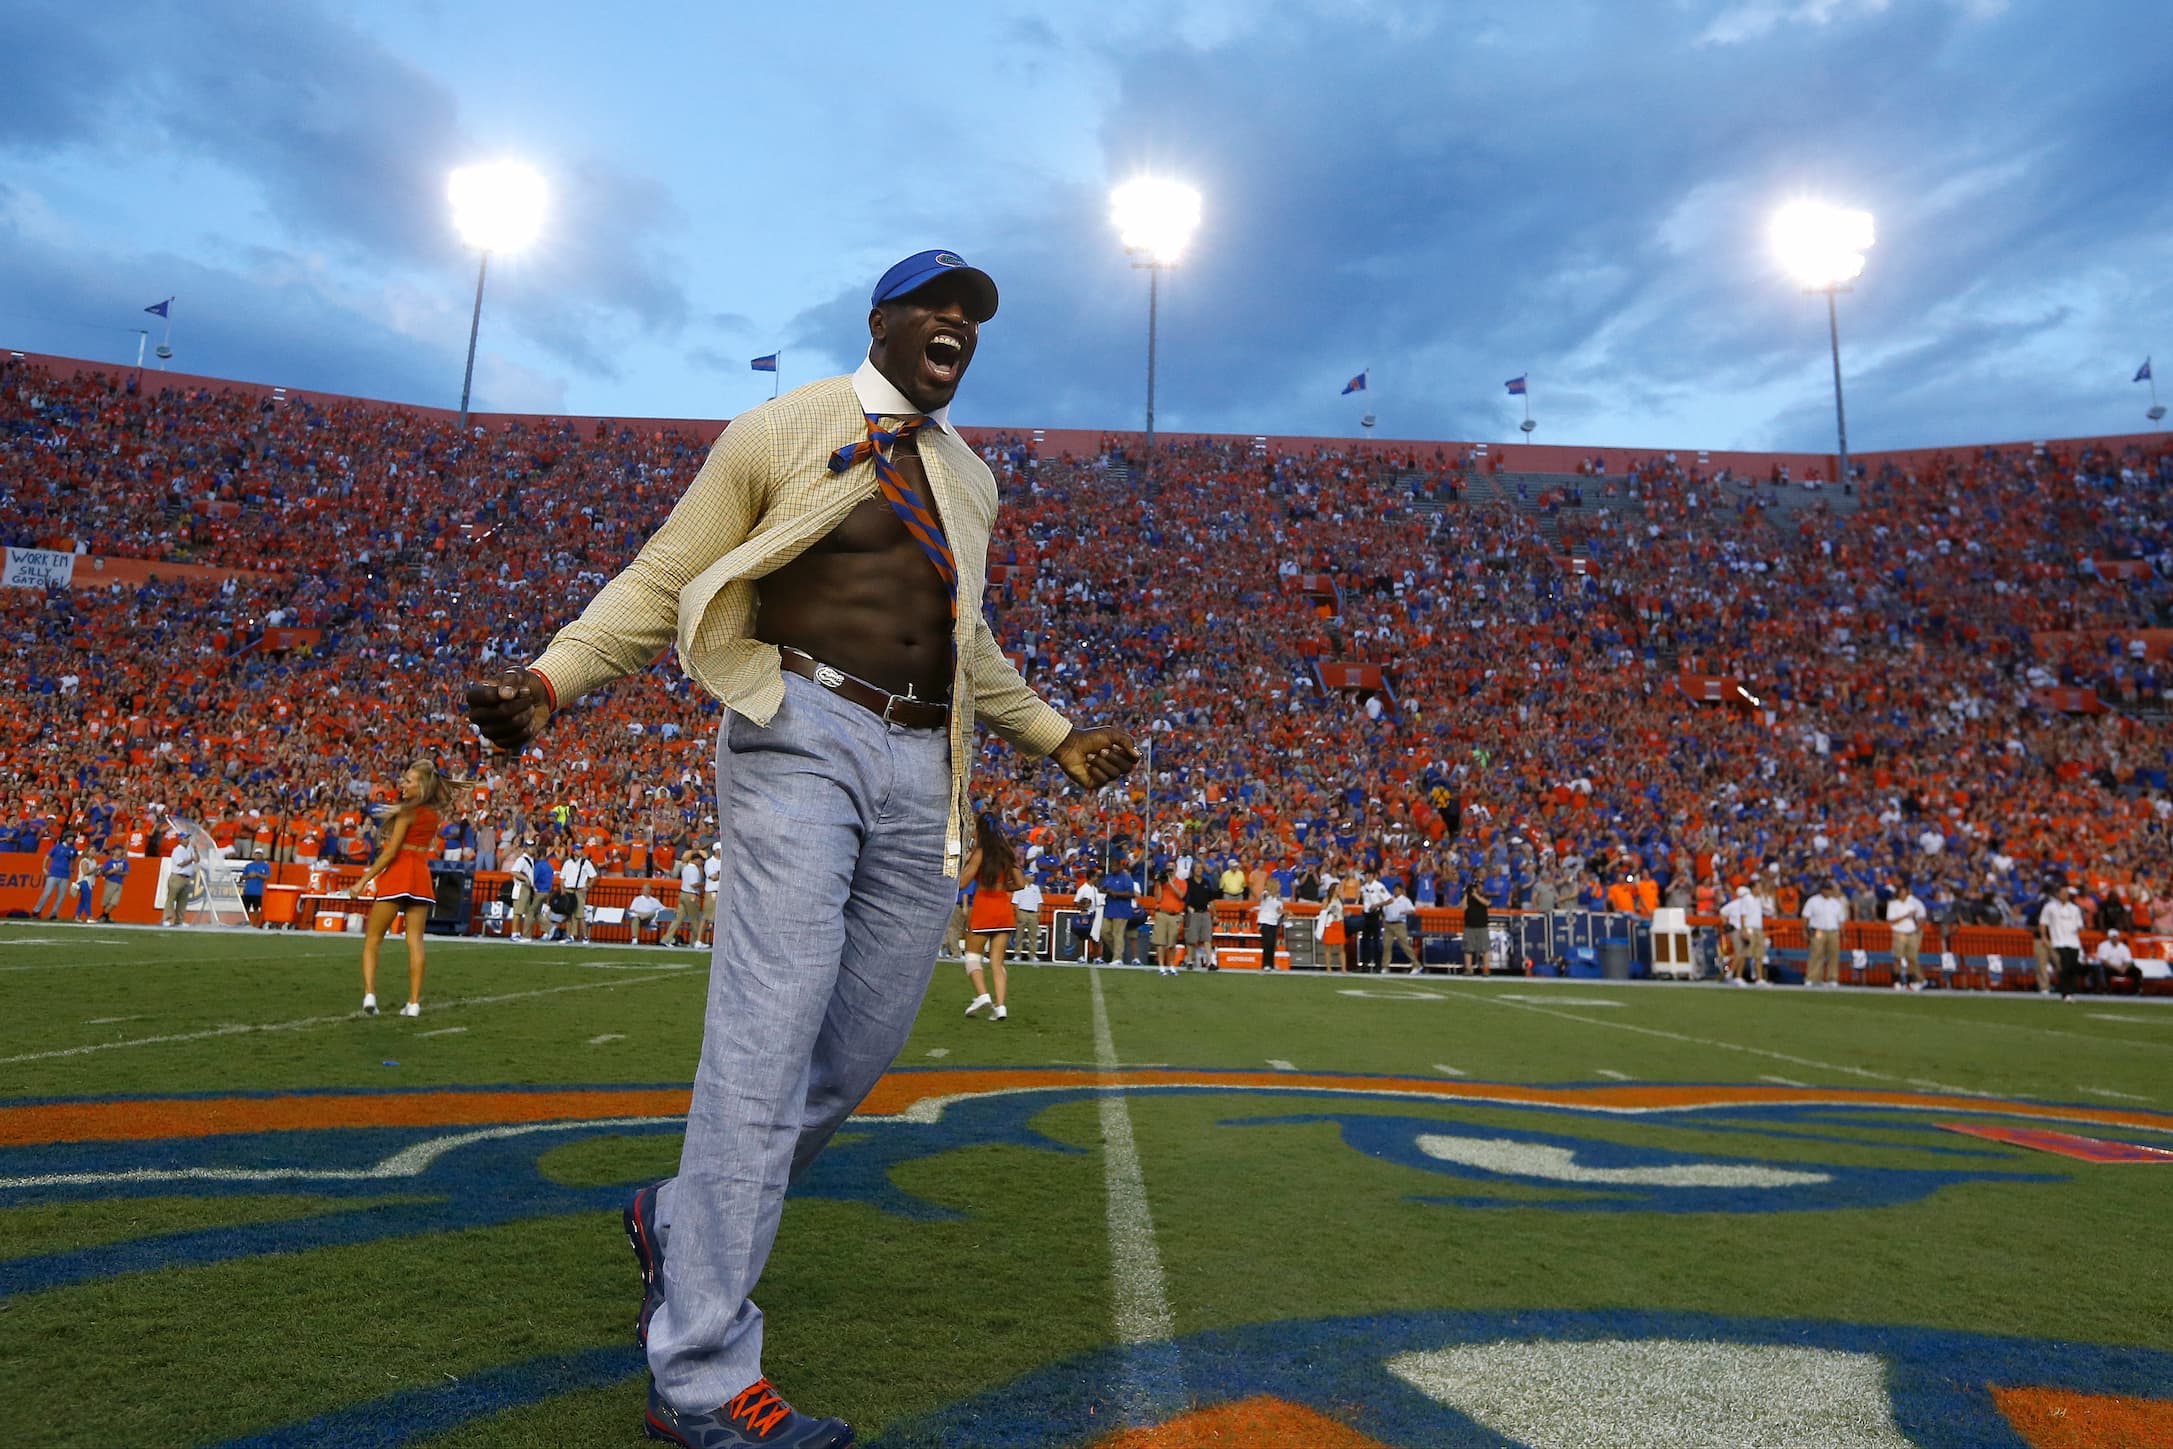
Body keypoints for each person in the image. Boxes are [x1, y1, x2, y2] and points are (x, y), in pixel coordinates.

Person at [464, 247, 1137, 1446]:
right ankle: (702, 1375)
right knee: (767, 1035)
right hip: (797, 728)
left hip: (930, 765)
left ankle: (679, 1219)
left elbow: (965, 640)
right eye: (935, 306)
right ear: (880, 323)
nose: (956, 325)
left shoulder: (971, 481)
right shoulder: (779, 429)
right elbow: (666, 575)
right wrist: (553, 675)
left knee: (856, 1048)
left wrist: (1056, 736)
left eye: (971, 314)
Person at [345, 759, 469, 1017]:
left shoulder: (407, 812)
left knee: (373, 938)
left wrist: (362, 880)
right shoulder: (432, 815)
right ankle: (413, 1003)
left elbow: (391, 854)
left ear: (421, 786)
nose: (403, 785)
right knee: (415, 942)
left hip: (399, 874)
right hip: (420, 876)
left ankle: (370, 995)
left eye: (409, 781)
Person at [960, 813, 1025, 1020]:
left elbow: (963, 883)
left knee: (972, 957)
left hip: (984, 908)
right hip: (1003, 908)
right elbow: (1021, 884)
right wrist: (1005, 886)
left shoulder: (980, 852)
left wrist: (964, 863)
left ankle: (982, 995)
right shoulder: (1006, 853)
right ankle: (1001, 1006)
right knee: (997, 962)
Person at [2040, 884, 2085, 1001]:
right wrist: (2044, 936)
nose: (2065, 895)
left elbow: (2079, 925)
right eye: (2063, 893)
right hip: (2058, 941)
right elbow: (2043, 922)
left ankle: (2070, 990)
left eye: (2067, 894)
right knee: (2065, 965)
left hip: (2073, 941)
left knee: (2073, 966)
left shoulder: (2074, 909)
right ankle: (2065, 992)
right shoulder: (2050, 907)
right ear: (2058, 893)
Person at [1719, 885, 1768, 986]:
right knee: (1739, 952)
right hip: (1736, 930)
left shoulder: (1752, 902)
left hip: (1743, 929)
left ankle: (1729, 973)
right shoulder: (1736, 904)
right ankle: (1729, 973)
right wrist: (1726, 925)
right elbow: (1722, 912)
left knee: (1739, 953)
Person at [1803, 883, 1848, 988]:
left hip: (1833, 931)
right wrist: (1804, 931)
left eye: (1829, 890)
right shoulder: (1813, 901)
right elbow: (1805, 917)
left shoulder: (1836, 903)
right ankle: (1812, 977)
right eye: (1826, 889)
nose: (1828, 892)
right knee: (1816, 953)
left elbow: (1841, 921)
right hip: (1819, 930)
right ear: (1821, 890)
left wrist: (1843, 934)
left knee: (1833, 954)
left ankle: (1832, 978)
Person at [1886, 882, 1928, 991]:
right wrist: (1906, 916)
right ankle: (1897, 980)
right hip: (1900, 932)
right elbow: (1891, 920)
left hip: (1911, 932)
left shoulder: (1912, 905)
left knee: (1912, 959)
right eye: (1902, 892)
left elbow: (1920, 917)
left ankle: (1910, 981)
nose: (1904, 894)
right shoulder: (1893, 905)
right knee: (1898, 958)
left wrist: (1916, 927)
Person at [665, 848, 707, 948]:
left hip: (683, 894)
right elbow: (693, 884)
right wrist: (702, 885)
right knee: (695, 919)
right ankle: (697, 941)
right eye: (700, 860)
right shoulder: (693, 870)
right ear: (695, 860)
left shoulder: (686, 868)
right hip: (691, 895)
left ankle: (666, 939)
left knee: (678, 919)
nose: (702, 862)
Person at [32, 832, 78, 921]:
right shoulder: (57, 847)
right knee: (46, 893)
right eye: (70, 837)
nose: (72, 839)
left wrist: (72, 870)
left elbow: (74, 860)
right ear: (66, 838)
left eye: (73, 838)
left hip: (65, 875)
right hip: (53, 873)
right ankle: (36, 911)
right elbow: (47, 857)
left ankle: (53, 914)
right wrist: (44, 868)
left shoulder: (73, 849)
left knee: (61, 896)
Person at [1181, 863, 1219, 972]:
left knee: (1207, 938)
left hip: (1205, 912)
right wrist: (1187, 907)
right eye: (1197, 868)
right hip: (1193, 913)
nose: (1199, 870)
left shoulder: (1206, 882)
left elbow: (1211, 900)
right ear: (1193, 870)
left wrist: (1215, 914)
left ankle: (1210, 962)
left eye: (1201, 868)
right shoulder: (1188, 882)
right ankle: (1189, 961)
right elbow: (1182, 898)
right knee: (1191, 939)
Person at [1150, 868, 1185, 976]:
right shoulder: (1160, 883)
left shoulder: (1181, 882)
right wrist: (1160, 883)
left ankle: (1171, 965)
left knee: (1172, 943)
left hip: (1174, 915)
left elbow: (1181, 895)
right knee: (1160, 942)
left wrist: (1170, 883)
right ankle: (1161, 966)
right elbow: (1158, 898)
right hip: (1161, 913)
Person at [561, 848, 599, 943]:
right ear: (573, 852)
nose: (580, 851)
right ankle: (569, 935)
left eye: (581, 849)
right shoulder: (568, 863)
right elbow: (562, 877)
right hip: (569, 889)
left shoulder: (585, 863)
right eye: (578, 849)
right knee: (569, 914)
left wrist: (588, 886)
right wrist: (562, 890)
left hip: (579, 890)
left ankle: (585, 936)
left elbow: (594, 876)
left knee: (580, 915)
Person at [162, 832, 199, 927]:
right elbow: (180, 864)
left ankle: (179, 920)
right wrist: (191, 859)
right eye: (185, 838)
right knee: (171, 898)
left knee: (183, 900)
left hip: (186, 877)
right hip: (177, 876)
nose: (187, 840)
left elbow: (197, 860)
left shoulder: (190, 849)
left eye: (188, 838)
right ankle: (166, 919)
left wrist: (195, 850)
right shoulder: (177, 850)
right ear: (180, 840)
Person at [1383, 881, 1421, 972]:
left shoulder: (1405, 900)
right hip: (1388, 924)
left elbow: (1412, 910)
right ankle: (1385, 966)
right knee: (1386, 946)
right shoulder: (1389, 899)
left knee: (1405, 946)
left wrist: (1404, 912)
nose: (1396, 891)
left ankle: (1416, 965)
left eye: (1397, 890)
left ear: (1401, 890)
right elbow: (1384, 910)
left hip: (1399, 924)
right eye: (1395, 889)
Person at [1461, 880, 1491, 976]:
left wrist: (1475, 895)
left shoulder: (1484, 895)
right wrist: (1467, 894)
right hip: (1469, 926)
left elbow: (1487, 903)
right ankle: (1468, 969)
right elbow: (1463, 907)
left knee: (1485, 948)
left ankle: (1486, 969)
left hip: (1482, 926)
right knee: (1468, 949)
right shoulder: (1467, 897)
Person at [2092, 928, 2134, 995]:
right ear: (2110, 938)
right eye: (2113, 937)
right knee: (2102, 969)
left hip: (2122, 967)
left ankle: (2135, 990)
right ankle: (2105, 989)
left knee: (2136, 971)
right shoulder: (2103, 945)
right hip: (2110, 967)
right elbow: (2104, 961)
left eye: (2116, 937)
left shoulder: (2124, 947)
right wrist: (2117, 968)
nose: (2115, 939)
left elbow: (2128, 960)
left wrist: (2124, 968)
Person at [1256, 881, 1285, 971]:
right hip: (1265, 922)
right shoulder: (1265, 894)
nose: (1280, 886)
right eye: (1278, 885)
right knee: (1267, 943)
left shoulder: (1279, 898)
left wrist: (1286, 912)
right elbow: (1263, 896)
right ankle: (1265, 964)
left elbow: (1278, 910)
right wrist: (1271, 892)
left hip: (1274, 922)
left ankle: (1271, 964)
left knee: (1272, 944)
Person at [240, 847, 271, 929]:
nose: (257, 856)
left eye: (259, 854)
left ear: (262, 855)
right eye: (256, 854)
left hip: (258, 891)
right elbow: (242, 877)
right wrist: (248, 876)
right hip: (248, 890)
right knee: (246, 908)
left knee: (256, 908)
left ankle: (255, 923)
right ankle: (246, 922)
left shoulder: (265, 866)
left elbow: (267, 877)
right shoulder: (249, 865)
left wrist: (257, 875)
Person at [94, 845, 127, 924]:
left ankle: (103, 916)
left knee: (114, 902)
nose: (120, 852)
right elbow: (105, 873)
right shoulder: (109, 862)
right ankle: (106, 917)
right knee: (106, 901)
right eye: (118, 850)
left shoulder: (124, 862)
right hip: (110, 882)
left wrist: (118, 872)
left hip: (119, 883)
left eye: (120, 850)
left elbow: (126, 872)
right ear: (113, 852)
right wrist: (113, 870)